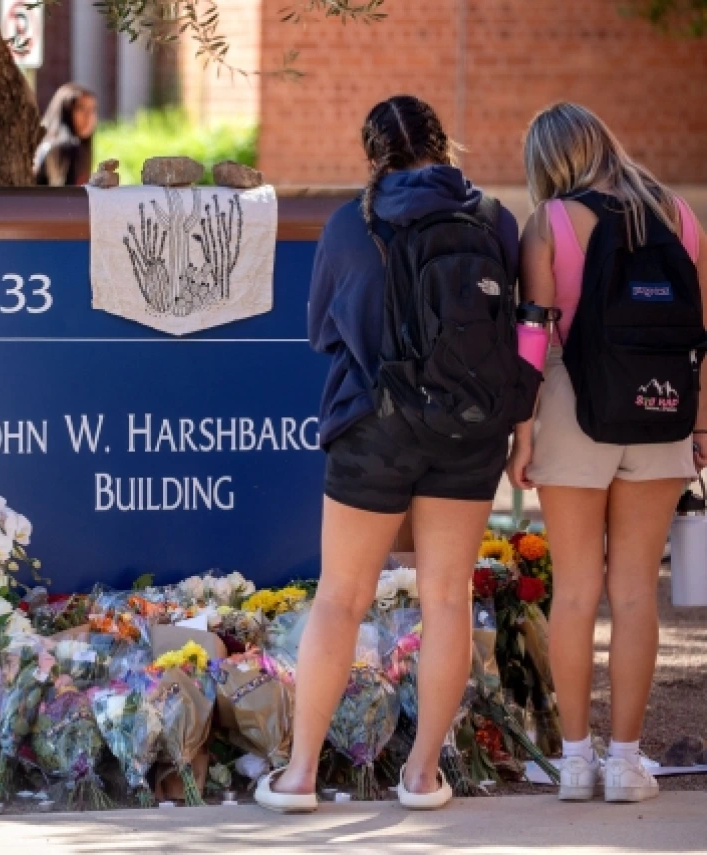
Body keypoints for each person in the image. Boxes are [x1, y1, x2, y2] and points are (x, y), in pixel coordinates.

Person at [255, 95, 525, 813]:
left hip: (374, 426)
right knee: (446, 599)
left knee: (341, 597)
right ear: (445, 145)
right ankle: (422, 774)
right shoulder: (496, 219)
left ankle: (301, 775)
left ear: (372, 155)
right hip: (470, 431)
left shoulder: (354, 222)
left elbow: (322, 329)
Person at [509, 102, 707, 803]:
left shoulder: (552, 222)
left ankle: (575, 759)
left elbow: (534, 335)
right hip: (662, 408)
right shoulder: (680, 217)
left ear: (548, 161)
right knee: (633, 592)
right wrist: (701, 427)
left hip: (572, 406)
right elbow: (701, 331)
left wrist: (523, 430)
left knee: (576, 591)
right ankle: (626, 762)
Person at [34, 83, 97, 187]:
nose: (88, 117)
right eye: (81, 108)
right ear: (66, 112)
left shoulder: (48, 143)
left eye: (92, 109)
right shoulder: (65, 147)